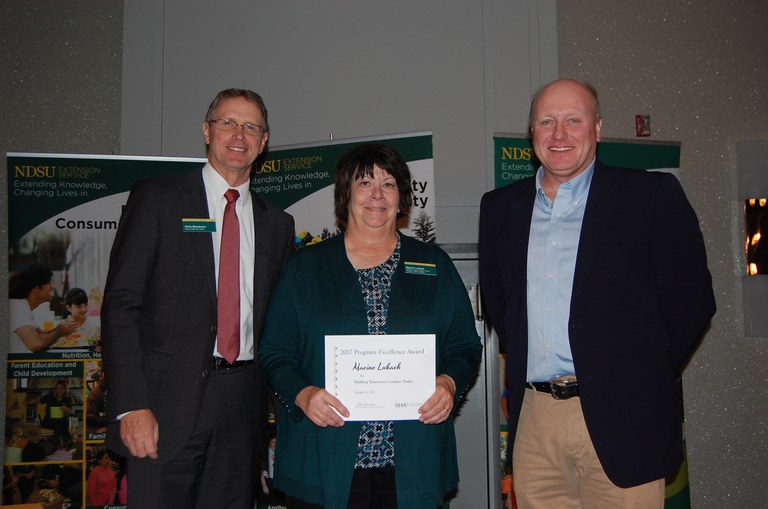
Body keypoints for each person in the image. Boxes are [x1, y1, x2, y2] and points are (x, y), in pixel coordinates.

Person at [479, 77, 716, 508]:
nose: (559, 134)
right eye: (546, 121)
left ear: (598, 128)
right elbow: (502, 305)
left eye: (574, 120)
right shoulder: (500, 208)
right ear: (532, 132)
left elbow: (692, 301)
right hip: (536, 420)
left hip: (626, 415)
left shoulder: (651, 195)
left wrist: (641, 373)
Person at [259, 143, 483, 509]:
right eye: (364, 183)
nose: (377, 194)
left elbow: (465, 346)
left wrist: (449, 382)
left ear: (402, 198)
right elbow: (274, 351)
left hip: (413, 463)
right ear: (346, 194)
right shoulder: (305, 268)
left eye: (389, 184)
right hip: (322, 458)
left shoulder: (434, 265)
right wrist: (302, 395)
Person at [102, 88, 295, 509]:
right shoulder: (158, 198)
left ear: (263, 142)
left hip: (243, 408)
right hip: (162, 409)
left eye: (251, 126)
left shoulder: (278, 224)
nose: (238, 134)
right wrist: (131, 404)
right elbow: (121, 306)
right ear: (206, 131)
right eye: (227, 122)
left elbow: (279, 326)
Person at [8, 264, 78, 353]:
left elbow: (40, 337)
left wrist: (62, 328)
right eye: (49, 282)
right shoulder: (17, 306)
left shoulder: (22, 307)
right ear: (36, 287)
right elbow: (36, 343)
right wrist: (60, 330)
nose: (53, 286)